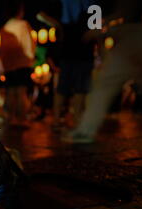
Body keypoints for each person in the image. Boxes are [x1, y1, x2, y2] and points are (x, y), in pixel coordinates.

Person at [62, 0, 142, 143]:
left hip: (134, 34)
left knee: (106, 84)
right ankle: (85, 130)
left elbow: (129, 10)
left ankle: (85, 130)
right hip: (139, 34)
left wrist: (105, 26)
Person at [38, 0, 97, 130]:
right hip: (82, 51)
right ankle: (75, 122)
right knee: (78, 89)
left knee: (64, 88)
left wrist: (59, 26)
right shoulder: (91, 4)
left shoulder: (67, 2)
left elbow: (41, 14)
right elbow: (96, 28)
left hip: (71, 50)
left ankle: (58, 121)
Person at [0, 0, 36, 126]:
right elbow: (28, 45)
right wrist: (31, 59)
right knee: (21, 92)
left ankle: (10, 117)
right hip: (21, 63)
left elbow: (1, 49)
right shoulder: (23, 25)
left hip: (8, 65)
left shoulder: (4, 28)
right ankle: (21, 119)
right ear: (20, 11)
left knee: (10, 92)